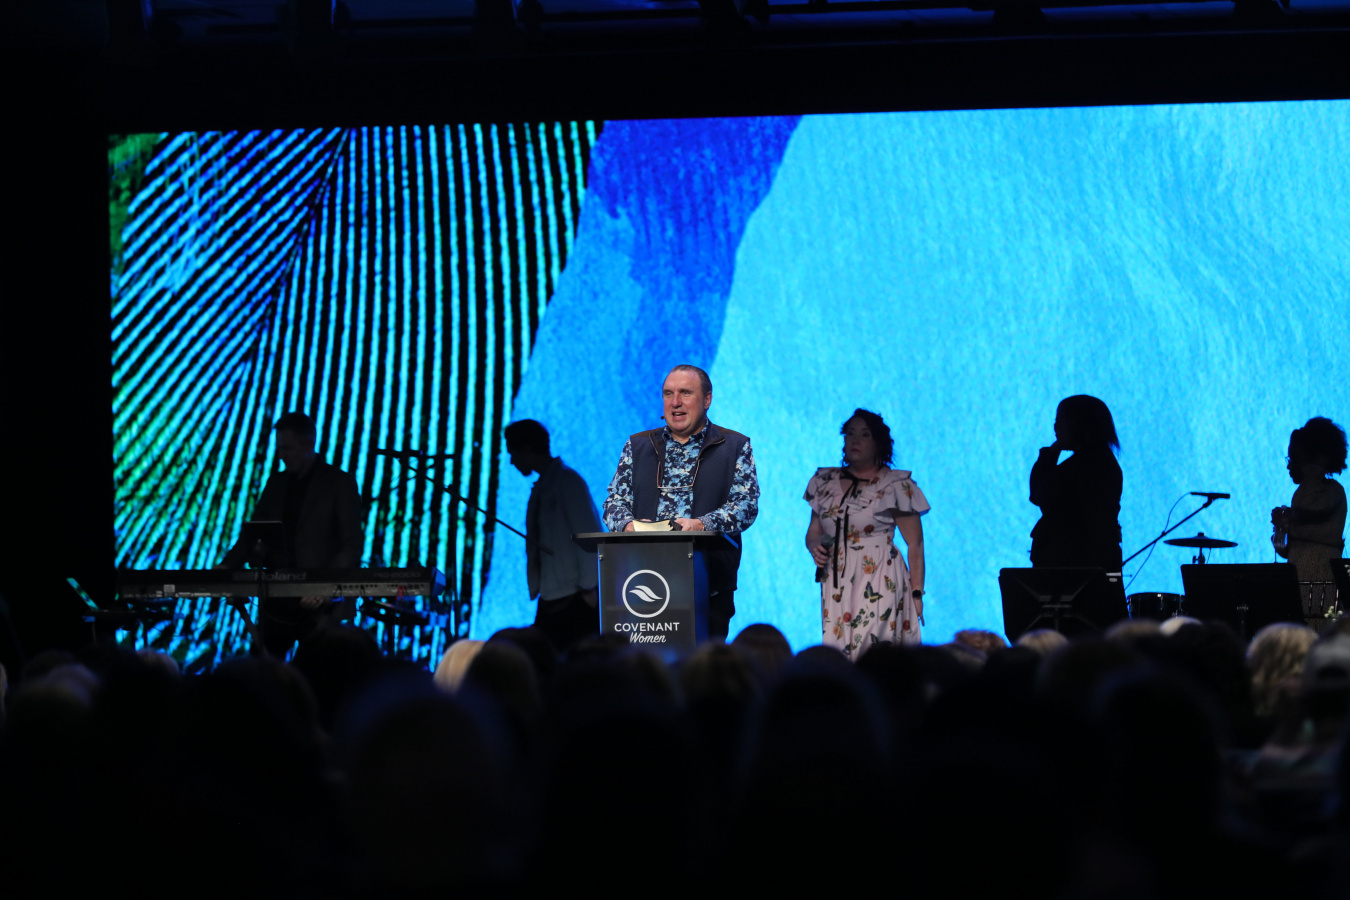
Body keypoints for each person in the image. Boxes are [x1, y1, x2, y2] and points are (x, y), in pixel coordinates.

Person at [602, 364, 759, 640]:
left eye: (686, 393)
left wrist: (701, 525)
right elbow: (613, 502)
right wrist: (629, 526)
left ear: (707, 399)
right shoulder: (638, 446)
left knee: (703, 667)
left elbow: (745, 506)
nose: (675, 402)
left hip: (709, 585)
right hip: (643, 581)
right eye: (668, 394)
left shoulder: (733, 446)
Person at [220, 412, 363, 658]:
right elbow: (253, 533)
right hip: (278, 598)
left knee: (318, 673)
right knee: (263, 669)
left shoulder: (339, 482)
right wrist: (226, 567)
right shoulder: (276, 483)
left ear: (308, 445)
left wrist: (325, 587)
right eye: (279, 448)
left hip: (321, 605)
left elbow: (351, 545)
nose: (281, 455)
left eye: (286, 448)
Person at [804, 409, 928, 656]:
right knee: (839, 649)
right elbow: (815, 531)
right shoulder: (824, 481)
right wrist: (814, 546)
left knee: (873, 649)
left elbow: (915, 544)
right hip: (837, 576)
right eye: (850, 434)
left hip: (879, 573)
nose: (855, 440)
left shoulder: (894, 484)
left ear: (878, 443)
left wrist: (917, 593)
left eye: (864, 435)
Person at [504, 419, 602, 654]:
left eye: (513, 453)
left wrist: (588, 588)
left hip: (576, 598)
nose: (512, 461)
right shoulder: (542, 486)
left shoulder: (567, 482)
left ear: (527, 449)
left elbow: (589, 537)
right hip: (551, 595)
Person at [1029, 395, 1123, 572]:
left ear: (1079, 423)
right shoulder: (1098, 461)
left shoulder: (1090, 464)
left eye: (1060, 420)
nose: (1055, 427)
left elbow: (1040, 494)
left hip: (1073, 570)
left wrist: (1051, 453)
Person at [1271, 417, 1347, 606]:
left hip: (1323, 580)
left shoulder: (1333, 491)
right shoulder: (1301, 493)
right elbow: (1291, 548)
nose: (1289, 465)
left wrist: (1288, 522)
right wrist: (1281, 534)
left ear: (1317, 458)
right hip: (1298, 578)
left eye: (1295, 459)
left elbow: (1315, 520)